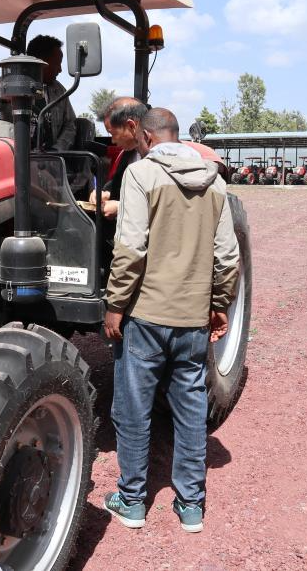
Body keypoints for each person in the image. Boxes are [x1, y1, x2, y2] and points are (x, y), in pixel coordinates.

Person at [102, 107, 240, 534]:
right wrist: (219, 304)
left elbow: (130, 249)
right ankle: (191, 505)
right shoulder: (214, 180)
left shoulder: (141, 175)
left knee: (133, 409)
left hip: (146, 315)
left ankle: (131, 500)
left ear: (144, 136)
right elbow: (227, 256)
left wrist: (114, 305)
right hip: (193, 318)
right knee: (190, 407)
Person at [0, 34, 77, 151]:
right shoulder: (4, 83)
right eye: (57, 63)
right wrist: (2, 99)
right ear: (42, 62)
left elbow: (70, 125)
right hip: (13, 155)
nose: (60, 69)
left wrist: (57, 149)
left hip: (48, 160)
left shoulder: (59, 90)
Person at [90, 96, 148, 219]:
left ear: (132, 126)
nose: (112, 140)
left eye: (113, 134)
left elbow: (161, 204)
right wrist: (107, 194)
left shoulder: (161, 159)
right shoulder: (126, 154)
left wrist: (120, 207)